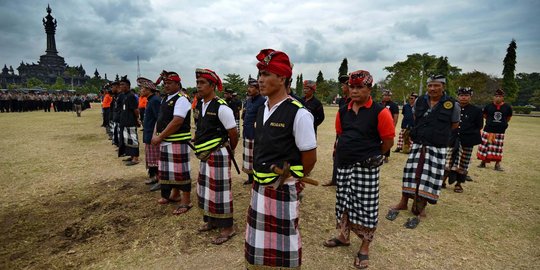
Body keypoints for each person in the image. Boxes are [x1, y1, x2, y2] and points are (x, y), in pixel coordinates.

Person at [245, 49, 317, 269]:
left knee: (285, 240)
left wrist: (295, 178)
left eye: (266, 74)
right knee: (258, 239)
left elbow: (310, 158)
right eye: (260, 74)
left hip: (283, 186)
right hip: (260, 185)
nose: (260, 79)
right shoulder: (261, 110)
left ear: (282, 78)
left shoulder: (299, 114)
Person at [323, 70, 394, 269]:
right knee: (343, 202)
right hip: (345, 164)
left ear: (369, 89)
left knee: (366, 207)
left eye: (359, 87)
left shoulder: (380, 112)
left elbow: (388, 141)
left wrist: (371, 154)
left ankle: (364, 247)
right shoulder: (343, 110)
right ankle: (343, 237)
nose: (354, 91)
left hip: (366, 168)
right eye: (352, 87)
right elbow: (340, 134)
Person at [385, 75, 460, 229]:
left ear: (443, 87)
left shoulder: (452, 104)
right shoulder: (419, 101)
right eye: (430, 85)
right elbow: (415, 117)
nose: (432, 88)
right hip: (418, 143)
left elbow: (454, 124)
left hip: (437, 146)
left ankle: (421, 207)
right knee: (411, 173)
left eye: (436, 85)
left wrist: (436, 132)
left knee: (430, 176)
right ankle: (403, 202)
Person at [193, 68, 238, 245]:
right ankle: (211, 221)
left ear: (212, 85)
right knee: (206, 189)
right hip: (205, 156)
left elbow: (233, 133)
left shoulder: (221, 107)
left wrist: (230, 151)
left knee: (221, 191)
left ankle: (228, 228)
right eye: (197, 83)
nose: (198, 86)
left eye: (202, 83)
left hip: (218, 153)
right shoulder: (200, 104)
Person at [150, 71, 194, 210]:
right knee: (169, 171)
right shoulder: (165, 99)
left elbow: (177, 121)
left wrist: (160, 136)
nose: (166, 86)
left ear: (178, 84)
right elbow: (160, 119)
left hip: (178, 141)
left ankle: (186, 201)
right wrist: (154, 134)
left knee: (181, 172)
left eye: (169, 83)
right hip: (165, 140)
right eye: (165, 83)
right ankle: (174, 194)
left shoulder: (182, 99)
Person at [443, 87, 483, 192]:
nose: (463, 98)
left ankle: (458, 184)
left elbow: (479, 126)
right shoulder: (451, 108)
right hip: (451, 138)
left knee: (463, 163)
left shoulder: (477, 110)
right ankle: (442, 181)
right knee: (447, 161)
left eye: (466, 96)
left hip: (467, 140)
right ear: (458, 96)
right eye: (461, 95)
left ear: (470, 97)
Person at [324, 74, 351, 187]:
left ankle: (343, 181)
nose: (342, 87)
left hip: (349, 133)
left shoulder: (353, 100)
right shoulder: (342, 101)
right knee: (336, 154)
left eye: (343, 85)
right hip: (340, 132)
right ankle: (335, 179)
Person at [477, 89, 513, 171]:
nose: (498, 98)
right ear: (493, 97)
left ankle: (497, 164)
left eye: (500, 96)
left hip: (500, 131)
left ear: (503, 98)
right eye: (496, 96)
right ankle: (483, 162)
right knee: (486, 146)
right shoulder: (488, 106)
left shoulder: (507, 107)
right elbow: (485, 115)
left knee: (498, 148)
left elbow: (508, 117)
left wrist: (503, 124)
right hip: (489, 129)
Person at [137, 77, 161, 191]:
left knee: (156, 158)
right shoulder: (150, 100)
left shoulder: (155, 100)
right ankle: (153, 176)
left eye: (142, 88)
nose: (140, 90)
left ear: (148, 90)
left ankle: (159, 179)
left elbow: (159, 119)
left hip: (153, 134)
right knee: (151, 157)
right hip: (149, 133)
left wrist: (156, 135)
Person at [241, 77, 265, 185]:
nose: (249, 89)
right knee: (247, 156)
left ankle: (257, 177)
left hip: (256, 134)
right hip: (247, 131)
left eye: (251, 87)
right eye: (249, 86)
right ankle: (250, 177)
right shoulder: (248, 100)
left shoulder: (263, 101)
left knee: (256, 156)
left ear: (258, 88)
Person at [118, 76, 141, 165]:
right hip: (125, 122)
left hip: (131, 121)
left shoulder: (131, 96)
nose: (120, 86)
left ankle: (135, 158)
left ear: (128, 86)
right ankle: (131, 156)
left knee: (133, 139)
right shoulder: (124, 96)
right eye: (120, 84)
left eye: (122, 84)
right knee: (127, 140)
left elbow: (136, 110)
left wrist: (137, 119)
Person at [379, 89, 399, 163]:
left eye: (388, 95)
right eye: (385, 95)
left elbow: (395, 116)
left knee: (387, 141)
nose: (386, 97)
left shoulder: (393, 105)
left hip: (388, 125)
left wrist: (393, 126)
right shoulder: (379, 104)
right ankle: (379, 154)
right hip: (379, 125)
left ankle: (386, 156)